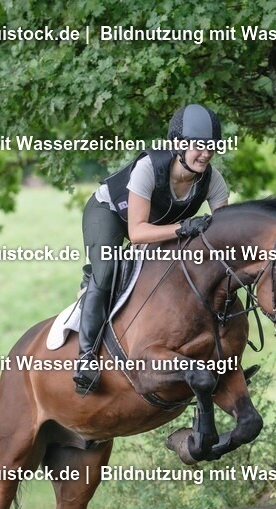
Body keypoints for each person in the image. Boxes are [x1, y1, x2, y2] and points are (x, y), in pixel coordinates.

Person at [74, 104, 230, 394]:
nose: (206, 154)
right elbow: (137, 233)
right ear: (178, 145)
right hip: (110, 213)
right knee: (107, 270)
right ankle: (86, 359)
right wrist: (184, 228)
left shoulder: (213, 180)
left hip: (157, 224)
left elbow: (222, 231)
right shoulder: (149, 168)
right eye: (199, 146)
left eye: (211, 147)